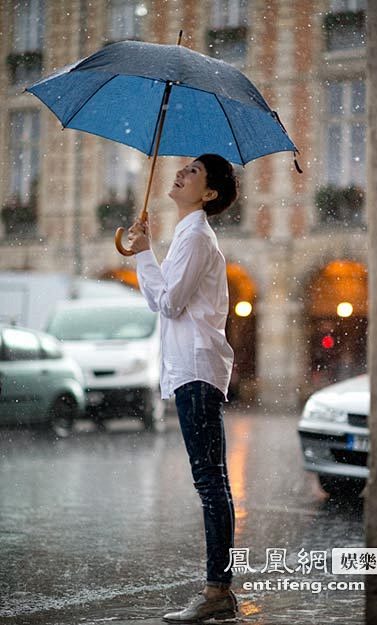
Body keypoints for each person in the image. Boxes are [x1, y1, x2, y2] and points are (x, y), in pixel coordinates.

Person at [127, 154, 239, 623]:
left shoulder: (196, 238)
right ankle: (219, 590)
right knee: (211, 480)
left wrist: (146, 255)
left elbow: (170, 303)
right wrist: (144, 252)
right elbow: (159, 298)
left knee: (210, 482)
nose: (181, 172)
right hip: (190, 369)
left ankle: (218, 592)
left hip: (197, 369)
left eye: (194, 172)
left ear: (209, 193)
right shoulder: (186, 237)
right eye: (184, 168)